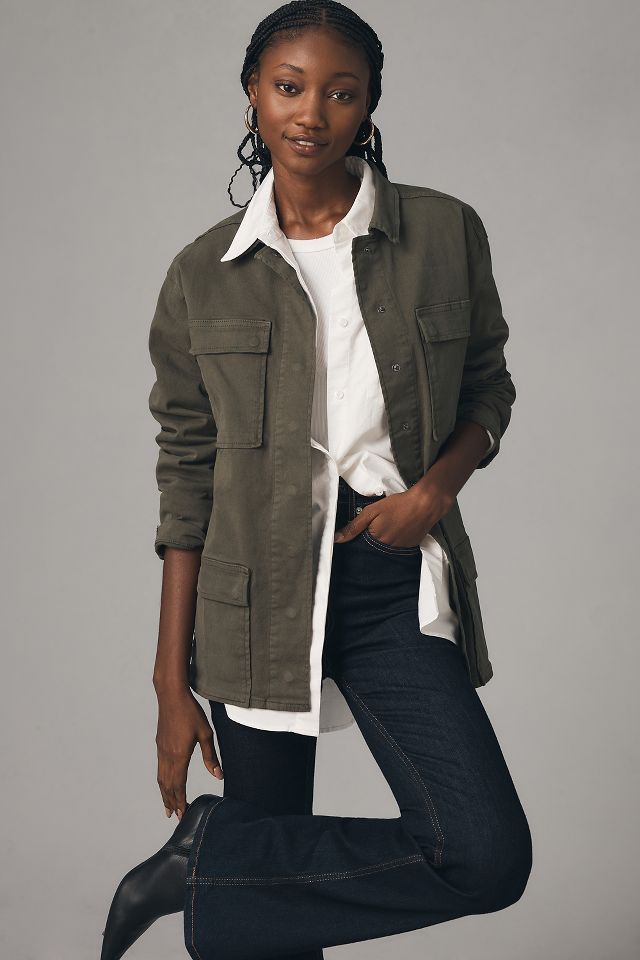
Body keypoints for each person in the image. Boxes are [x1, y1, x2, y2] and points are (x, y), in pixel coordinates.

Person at [100, 2, 532, 958]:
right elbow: (187, 480)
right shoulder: (203, 274)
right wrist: (170, 681)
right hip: (254, 596)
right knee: (273, 922)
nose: (312, 113)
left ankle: (206, 858)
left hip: (388, 576)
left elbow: (487, 386)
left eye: (342, 92)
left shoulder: (444, 232)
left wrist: (435, 492)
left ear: (369, 104)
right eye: (289, 87)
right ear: (253, 95)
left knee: (485, 853)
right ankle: (220, 865)